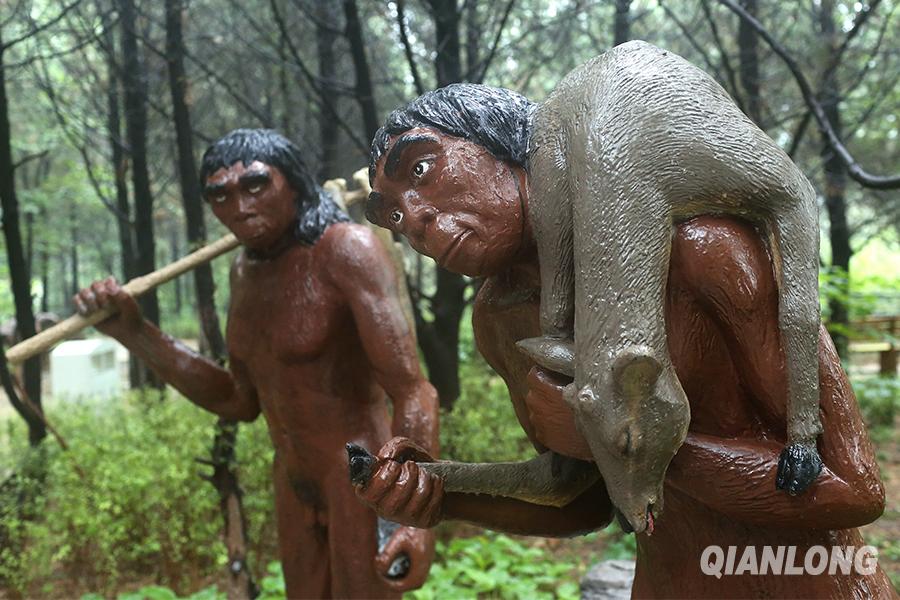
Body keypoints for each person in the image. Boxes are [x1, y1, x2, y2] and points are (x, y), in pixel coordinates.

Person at [357, 86, 895, 597]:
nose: (417, 220)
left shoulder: (701, 250)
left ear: (508, 145)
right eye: (395, 216)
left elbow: (851, 488)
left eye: (422, 169)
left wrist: (625, 440)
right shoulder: (501, 318)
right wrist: (440, 494)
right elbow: (579, 498)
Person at [75, 128, 439, 598]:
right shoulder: (243, 272)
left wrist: (412, 515)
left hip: (362, 473)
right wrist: (136, 333)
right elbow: (238, 399)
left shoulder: (345, 250)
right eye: (219, 195)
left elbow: (413, 391)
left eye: (254, 185)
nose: (238, 206)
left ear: (294, 184)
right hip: (292, 478)